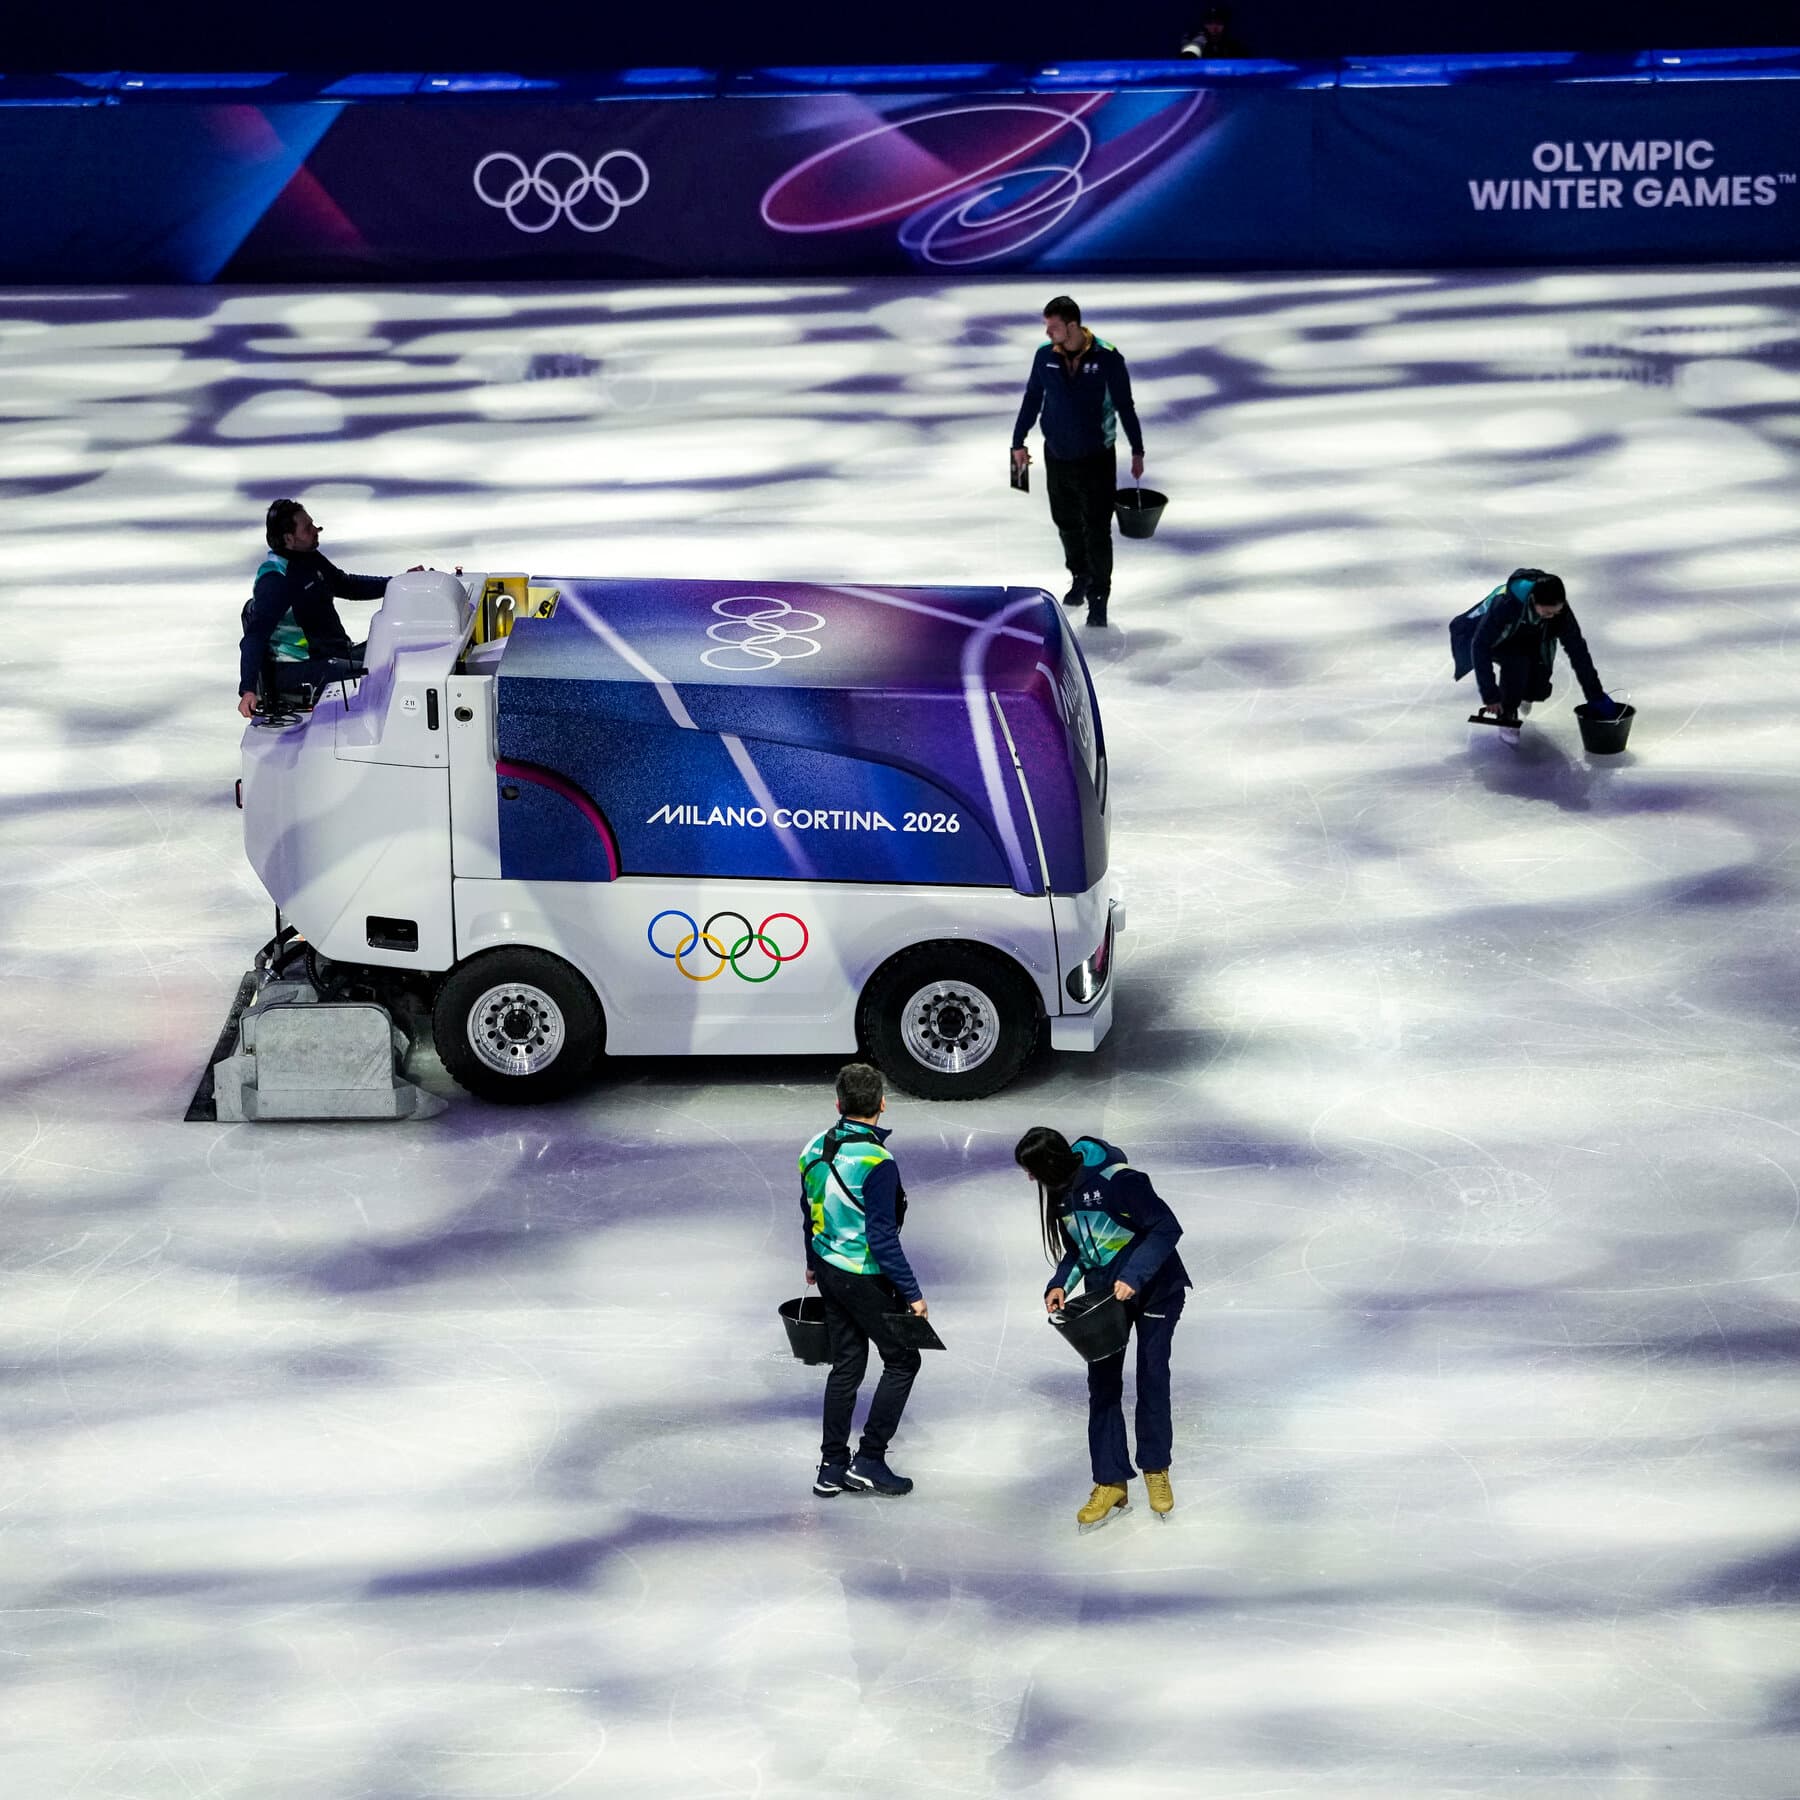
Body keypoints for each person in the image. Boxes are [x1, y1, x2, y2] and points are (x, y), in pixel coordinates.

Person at [1014, 1126, 1190, 1532]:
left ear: (1050, 1163)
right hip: (1105, 1300)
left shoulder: (1121, 1181)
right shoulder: (1061, 1193)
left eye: (1032, 1170)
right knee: (1103, 1386)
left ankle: (1155, 1469)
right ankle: (1110, 1481)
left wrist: (1134, 1275)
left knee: (1151, 1376)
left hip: (1156, 1291)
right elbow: (1080, 1246)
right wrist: (1060, 1283)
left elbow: (1167, 1227)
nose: (1030, 1179)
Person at [800, 1062, 929, 1499]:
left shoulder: (812, 1148)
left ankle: (832, 1466)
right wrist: (912, 1294)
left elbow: (809, 1211)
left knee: (848, 1364)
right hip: (865, 1277)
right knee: (903, 1360)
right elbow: (882, 1237)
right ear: (882, 1104)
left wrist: (812, 1262)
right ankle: (870, 1459)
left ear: (838, 1104)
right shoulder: (877, 1161)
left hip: (830, 1270)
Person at [1011, 296, 1146, 630]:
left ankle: (1099, 597)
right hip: (1056, 454)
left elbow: (1125, 405)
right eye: (1047, 325)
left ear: (1072, 325)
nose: (1048, 331)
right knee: (1066, 521)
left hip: (1096, 457)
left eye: (1053, 325)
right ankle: (1080, 576)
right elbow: (1032, 397)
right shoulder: (1044, 357)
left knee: (1097, 528)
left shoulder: (1108, 357)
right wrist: (1018, 441)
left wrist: (1137, 449)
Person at [237, 499, 399, 719]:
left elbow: (346, 584)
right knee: (380, 675)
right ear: (288, 539)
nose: (316, 530)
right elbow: (255, 636)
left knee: (394, 650)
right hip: (302, 667)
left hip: (334, 653)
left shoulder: (309, 558)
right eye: (308, 528)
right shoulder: (275, 579)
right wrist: (247, 688)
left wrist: (397, 584)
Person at [1451, 567, 1622, 727]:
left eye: (1556, 612)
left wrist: (1596, 694)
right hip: (1497, 640)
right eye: (1548, 612)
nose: (1552, 616)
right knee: (1517, 665)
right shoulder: (1505, 605)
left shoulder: (1560, 613)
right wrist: (1491, 696)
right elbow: (1480, 645)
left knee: (1539, 689)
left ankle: (1525, 694)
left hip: (1531, 639)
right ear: (1533, 601)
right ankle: (1507, 712)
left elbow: (1578, 651)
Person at [1180, 4, 1248, 57]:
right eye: (1209, 23)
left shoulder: (1234, 47)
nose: (1214, 28)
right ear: (1203, 25)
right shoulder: (1195, 42)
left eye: (1219, 23)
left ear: (1226, 25)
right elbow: (1185, 63)